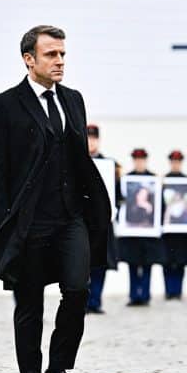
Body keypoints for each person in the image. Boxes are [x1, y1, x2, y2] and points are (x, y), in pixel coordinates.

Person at [0, 25, 111, 373]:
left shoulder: (73, 99)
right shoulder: (4, 104)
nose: (60, 61)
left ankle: (59, 369)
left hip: (71, 218)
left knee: (78, 290)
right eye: (52, 55)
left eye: (63, 54)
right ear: (29, 59)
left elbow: (77, 158)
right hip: (29, 224)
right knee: (30, 305)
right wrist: (7, 225)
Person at [117, 148, 164, 307]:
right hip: (131, 234)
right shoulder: (126, 180)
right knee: (132, 265)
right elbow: (121, 204)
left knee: (147, 265)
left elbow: (160, 207)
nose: (139, 162)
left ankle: (144, 295)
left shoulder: (154, 180)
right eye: (137, 160)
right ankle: (133, 295)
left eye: (141, 159)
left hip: (149, 235)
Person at [86, 124, 119, 315]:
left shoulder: (110, 165)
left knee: (100, 264)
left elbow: (118, 194)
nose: (91, 142)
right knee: (82, 264)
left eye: (94, 138)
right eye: (88, 138)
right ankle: (82, 303)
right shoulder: (75, 161)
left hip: (103, 222)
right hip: (83, 222)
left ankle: (95, 302)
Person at [160, 150, 187, 300]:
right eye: (173, 162)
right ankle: (169, 291)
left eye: (178, 162)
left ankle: (178, 291)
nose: (175, 164)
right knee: (167, 261)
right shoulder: (163, 181)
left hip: (183, 230)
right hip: (168, 230)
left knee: (181, 262)